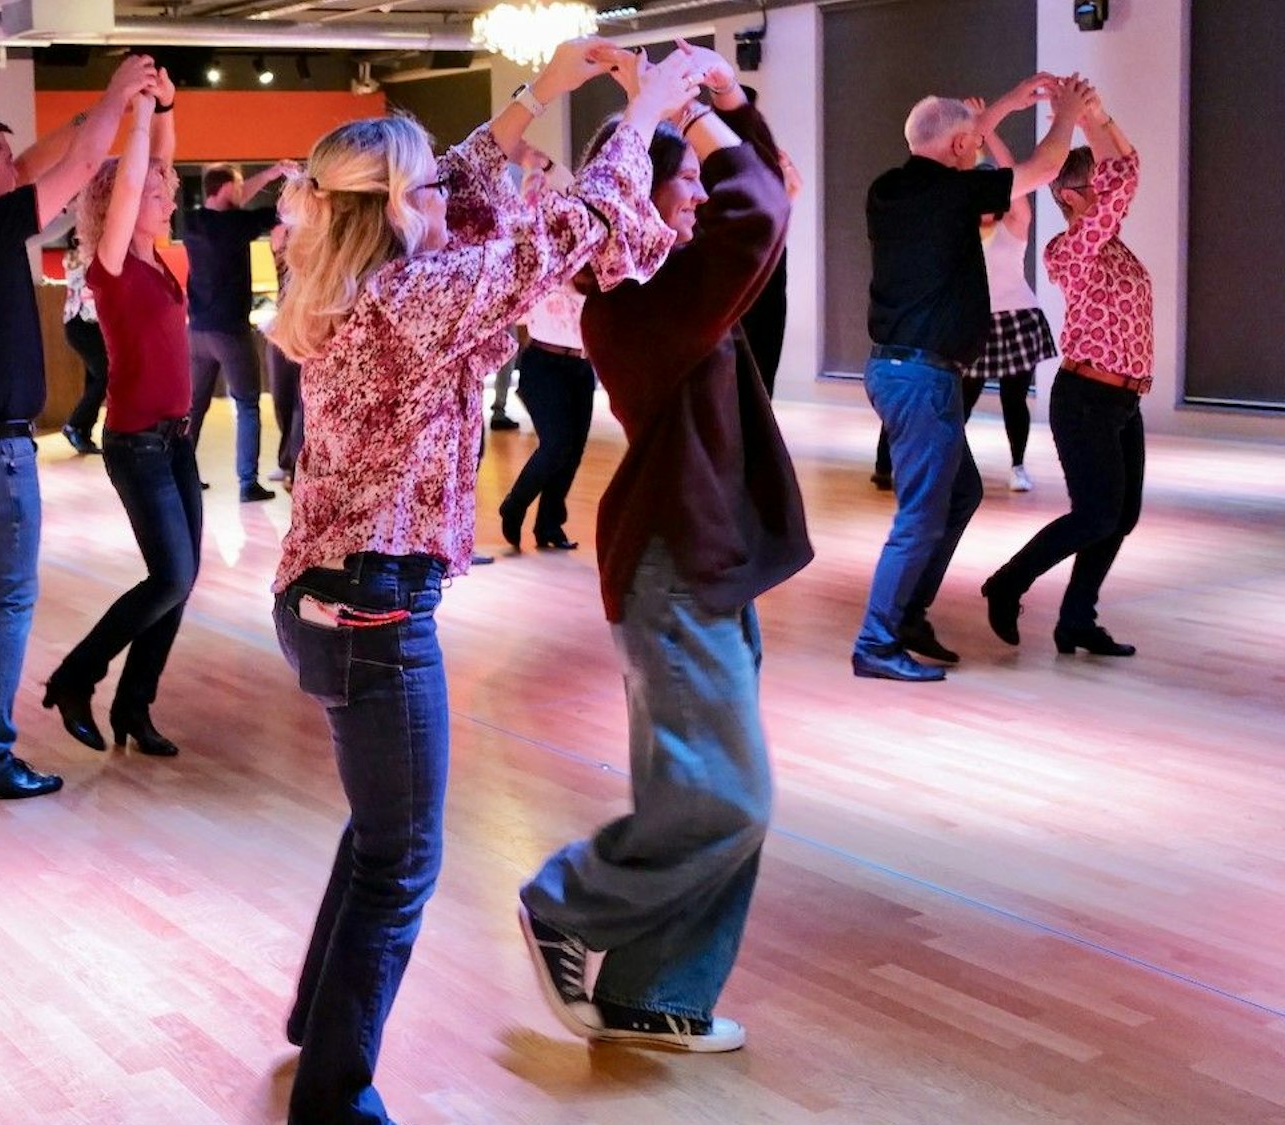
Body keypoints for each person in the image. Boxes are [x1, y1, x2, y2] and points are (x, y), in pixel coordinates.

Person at [267, 39, 695, 1123]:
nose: (446, 198)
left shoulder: (352, 277)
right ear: (392, 205)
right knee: (401, 860)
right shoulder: (416, 296)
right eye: (424, 189)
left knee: (377, 833)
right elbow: (575, 225)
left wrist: (539, 94)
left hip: (324, 598)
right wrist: (643, 109)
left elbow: (454, 181)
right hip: (373, 611)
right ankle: (332, 1098)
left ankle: (315, 1024)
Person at [518, 41, 803, 1056]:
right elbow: (756, 212)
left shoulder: (672, 287)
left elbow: (767, 194)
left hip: (706, 559)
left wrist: (725, 102)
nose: (697, 196)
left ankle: (658, 994)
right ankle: (564, 902)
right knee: (727, 801)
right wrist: (680, 112)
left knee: (704, 798)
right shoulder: (637, 307)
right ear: (641, 192)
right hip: (673, 566)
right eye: (682, 182)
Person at [0, 56, 158, 802]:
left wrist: (89, 116)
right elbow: (77, 166)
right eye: (6, 160)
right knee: (13, 597)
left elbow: (47, 158)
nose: (18, 168)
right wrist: (116, 96)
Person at [850, 76, 1088, 682]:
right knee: (920, 515)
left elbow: (954, 138)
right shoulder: (956, 193)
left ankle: (907, 615)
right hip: (920, 377)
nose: (977, 149)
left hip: (899, 370)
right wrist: (1064, 111)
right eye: (973, 143)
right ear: (959, 147)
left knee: (961, 494)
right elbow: (1046, 166)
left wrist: (1003, 106)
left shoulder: (887, 189)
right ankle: (876, 641)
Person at [42, 69, 194, 759]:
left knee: (179, 582)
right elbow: (133, 178)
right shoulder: (110, 267)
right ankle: (76, 677)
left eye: (168, 192)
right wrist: (136, 115)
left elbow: (158, 163)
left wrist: (165, 105)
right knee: (170, 576)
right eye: (156, 195)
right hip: (137, 445)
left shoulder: (156, 260)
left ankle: (135, 705)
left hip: (177, 442)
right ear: (124, 205)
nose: (167, 196)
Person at [983, 89, 1149, 658]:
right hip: (1085, 401)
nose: (1110, 196)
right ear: (1071, 196)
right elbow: (1125, 178)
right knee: (1096, 513)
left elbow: (1126, 166)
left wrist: (1099, 117)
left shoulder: (1115, 248)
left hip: (1124, 402)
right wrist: (1085, 120)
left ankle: (1077, 619)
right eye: (1097, 188)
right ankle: (1008, 582)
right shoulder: (1069, 250)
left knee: (1119, 517)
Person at [498, 147, 594, 553]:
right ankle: (514, 505)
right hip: (543, 363)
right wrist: (537, 172)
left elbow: (578, 191)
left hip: (581, 366)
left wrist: (549, 165)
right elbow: (528, 211)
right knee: (556, 445)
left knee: (572, 452)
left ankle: (549, 526)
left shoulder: (588, 251)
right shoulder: (537, 253)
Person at [184, 158, 296, 501]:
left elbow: (230, 199)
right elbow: (279, 213)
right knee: (247, 404)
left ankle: (182, 476)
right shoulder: (238, 224)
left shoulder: (192, 222)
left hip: (197, 332)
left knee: (194, 407)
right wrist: (278, 177)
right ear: (230, 188)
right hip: (231, 332)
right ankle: (247, 483)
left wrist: (269, 173)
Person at [960, 99, 1056, 493]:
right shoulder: (960, 227)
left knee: (1014, 401)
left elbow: (1014, 174)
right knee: (962, 400)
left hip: (1017, 317)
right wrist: (968, 136)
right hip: (976, 322)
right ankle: (951, 465)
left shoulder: (1014, 223)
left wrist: (987, 129)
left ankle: (1018, 466)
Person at [736, 85, 803, 397]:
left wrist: (786, 200)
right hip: (748, 272)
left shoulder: (756, 156)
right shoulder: (727, 157)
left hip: (762, 269)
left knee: (755, 380)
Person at [56, 233, 107, 455]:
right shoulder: (82, 258)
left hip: (84, 325)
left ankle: (83, 432)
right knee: (105, 376)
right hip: (83, 324)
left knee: (96, 378)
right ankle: (74, 425)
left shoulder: (76, 257)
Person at [265, 220, 303, 490]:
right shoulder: (280, 235)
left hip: (307, 327)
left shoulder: (317, 237)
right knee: (282, 396)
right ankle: (286, 458)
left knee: (301, 400)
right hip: (283, 327)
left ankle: (294, 463)